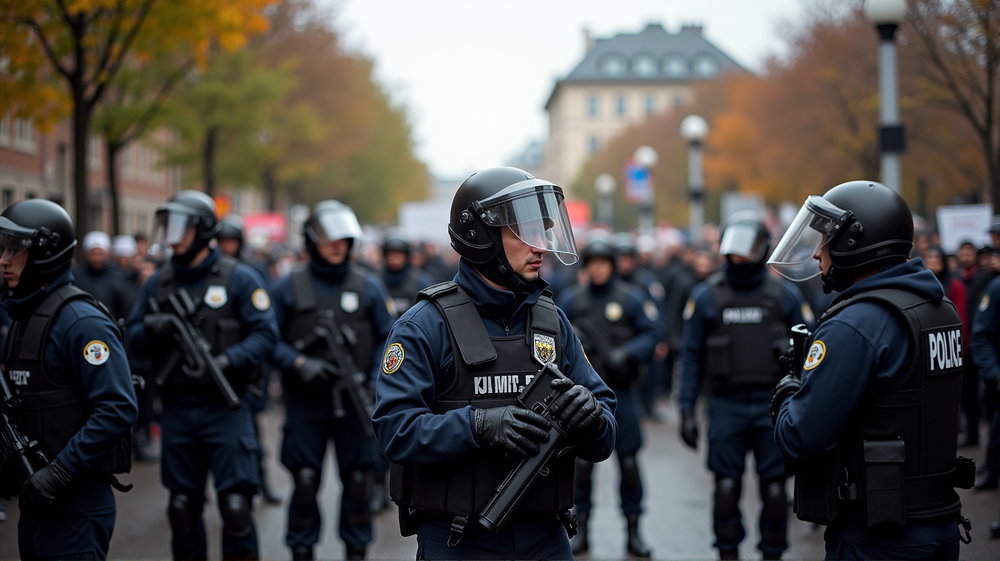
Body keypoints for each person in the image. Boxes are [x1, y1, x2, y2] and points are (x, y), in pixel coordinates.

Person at [373, 166, 617, 560]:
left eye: (543, 231)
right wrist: (477, 426)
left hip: (547, 537)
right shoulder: (424, 326)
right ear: (481, 236)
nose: (541, 246)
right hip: (459, 539)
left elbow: (604, 431)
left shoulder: (552, 321)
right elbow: (394, 430)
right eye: (526, 232)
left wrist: (593, 419)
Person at [770, 181, 970, 560]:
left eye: (826, 239)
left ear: (854, 242)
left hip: (878, 536)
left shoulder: (856, 323)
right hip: (939, 523)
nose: (817, 253)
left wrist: (788, 393)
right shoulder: (939, 308)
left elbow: (799, 437)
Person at [126, 190, 278, 561]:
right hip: (178, 408)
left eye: (181, 226)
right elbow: (132, 339)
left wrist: (229, 360)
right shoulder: (157, 283)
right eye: (168, 226)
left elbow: (266, 335)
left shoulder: (239, 278)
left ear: (204, 229)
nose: (172, 235)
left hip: (226, 406)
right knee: (181, 507)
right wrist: (152, 327)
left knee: (236, 507)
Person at [0, 199, 137, 559]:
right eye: (3, 247)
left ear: (44, 253)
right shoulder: (23, 316)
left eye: (15, 248)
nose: (4, 259)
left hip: (75, 503)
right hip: (36, 500)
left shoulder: (81, 322)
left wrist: (59, 473)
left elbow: (117, 408)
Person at [679, 211, 810, 560]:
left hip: (773, 406)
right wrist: (686, 409)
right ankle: (727, 552)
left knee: (775, 490)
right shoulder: (706, 296)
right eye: (733, 247)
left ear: (763, 248)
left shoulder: (785, 295)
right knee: (725, 486)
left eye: (747, 247)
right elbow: (691, 356)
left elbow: (808, 356)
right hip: (726, 405)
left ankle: (772, 553)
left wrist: (807, 409)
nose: (739, 255)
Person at [270, 200, 395, 561]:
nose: (337, 246)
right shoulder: (288, 286)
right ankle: (301, 549)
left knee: (358, 484)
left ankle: (356, 551)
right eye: (329, 239)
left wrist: (373, 380)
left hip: (355, 404)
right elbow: (266, 339)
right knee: (305, 482)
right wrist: (297, 363)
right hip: (305, 402)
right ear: (311, 241)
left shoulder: (369, 287)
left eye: (344, 239)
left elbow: (390, 340)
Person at [556, 234, 658, 558]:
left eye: (604, 263)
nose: (598, 269)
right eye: (593, 264)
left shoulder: (631, 298)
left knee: (628, 463)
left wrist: (628, 352)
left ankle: (634, 531)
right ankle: (581, 530)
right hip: (582, 396)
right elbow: (553, 339)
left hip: (622, 392)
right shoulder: (572, 299)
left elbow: (652, 334)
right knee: (583, 467)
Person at [215, 214, 282, 506]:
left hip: (245, 369)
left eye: (232, 241)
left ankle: (260, 480)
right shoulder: (209, 272)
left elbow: (264, 322)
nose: (227, 247)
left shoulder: (250, 272)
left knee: (251, 431)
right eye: (223, 241)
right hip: (213, 369)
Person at [72, 230, 133, 321]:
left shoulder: (118, 277)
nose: (97, 258)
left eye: (100, 254)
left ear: (107, 253)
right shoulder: (76, 276)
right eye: (93, 254)